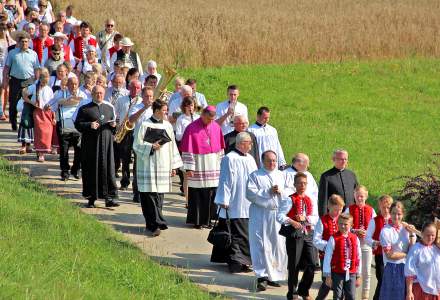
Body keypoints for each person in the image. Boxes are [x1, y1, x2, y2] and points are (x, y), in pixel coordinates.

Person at [132, 100, 182, 236]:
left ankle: (156, 223)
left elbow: (173, 147)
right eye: (164, 110)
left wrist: (174, 166)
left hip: (163, 164)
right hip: (148, 165)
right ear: (156, 110)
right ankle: (153, 224)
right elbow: (136, 145)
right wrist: (150, 147)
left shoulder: (167, 126)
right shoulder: (145, 124)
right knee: (148, 195)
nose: (166, 112)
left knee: (159, 195)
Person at [211, 132, 257, 273]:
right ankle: (235, 262)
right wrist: (224, 199)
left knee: (245, 234)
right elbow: (225, 180)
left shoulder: (250, 158)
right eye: (250, 142)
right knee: (234, 234)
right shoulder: (229, 158)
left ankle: (244, 262)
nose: (251, 145)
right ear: (242, 143)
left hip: (247, 202)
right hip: (234, 202)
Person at [246, 150, 288, 291]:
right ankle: (262, 276)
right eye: (269, 160)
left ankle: (274, 275)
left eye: (274, 160)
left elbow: (290, 192)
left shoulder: (282, 175)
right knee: (261, 244)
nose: (272, 163)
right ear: (263, 161)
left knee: (278, 245)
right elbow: (250, 194)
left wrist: (280, 191)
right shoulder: (255, 176)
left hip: (277, 215)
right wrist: (268, 192)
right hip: (261, 214)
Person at [74, 85, 119, 208]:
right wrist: (89, 125)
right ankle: (91, 198)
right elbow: (78, 124)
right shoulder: (84, 109)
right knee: (91, 170)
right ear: (92, 94)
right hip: (91, 145)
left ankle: (109, 198)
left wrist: (114, 125)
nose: (99, 95)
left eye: (101, 93)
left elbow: (114, 123)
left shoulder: (109, 107)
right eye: (96, 93)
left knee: (108, 169)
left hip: (107, 144)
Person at [180, 105, 225, 229]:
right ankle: (197, 221)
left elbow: (221, 149)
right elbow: (187, 149)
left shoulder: (216, 127)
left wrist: (223, 165)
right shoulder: (191, 128)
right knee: (198, 195)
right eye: (208, 119)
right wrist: (189, 168)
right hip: (198, 166)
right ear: (203, 115)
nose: (210, 122)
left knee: (212, 194)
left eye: (212, 119)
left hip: (213, 166)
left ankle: (209, 220)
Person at [276, 172, 318, 300]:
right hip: (295, 235)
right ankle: (292, 293)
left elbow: (316, 218)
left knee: (312, 264)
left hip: (308, 234)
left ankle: (304, 290)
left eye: (304, 183)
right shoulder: (289, 199)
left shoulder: (310, 199)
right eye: (299, 183)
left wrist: (305, 218)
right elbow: (280, 216)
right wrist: (292, 221)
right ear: (295, 184)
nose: (302, 185)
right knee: (294, 264)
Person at [49, 75, 87, 180]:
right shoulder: (60, 94)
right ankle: (64, 171)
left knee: (79, 150)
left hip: (77, 128)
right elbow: (52, 106)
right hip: (64, 126)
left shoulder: (83, 95)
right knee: (64, 150)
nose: (74, 86)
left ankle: (76, 169)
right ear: (67, 84)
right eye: (71, 84)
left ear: (78, 84)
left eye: (75, 84)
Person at [379, 201, 417, 300]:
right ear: (390, 214)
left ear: (403, 214)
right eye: (394, 213)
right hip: (393, 268)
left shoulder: (406, 228)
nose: (396, 217)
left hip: (408, 268)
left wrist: (412, 233)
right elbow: (389, 255)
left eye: (399, 214)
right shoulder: (385, 231)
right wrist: (407, 254)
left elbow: (413, 248)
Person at [344, 185, 376, 300]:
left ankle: (365, 296)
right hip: (352, 245)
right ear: (354, 196)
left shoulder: (371, 210)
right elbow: (344, 225)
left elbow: (374, 227)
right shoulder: (349, 209)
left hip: (366, 245)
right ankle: (350, 294)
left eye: (362, 196)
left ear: (366, 196)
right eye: (358, 196)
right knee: (352, 270)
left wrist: (367, 233)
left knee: (366, 271)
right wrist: (354, 231)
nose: (360, 199)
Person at [3, 31, 40, 131]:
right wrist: (5, 81)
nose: (24, 43)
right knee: (13, 102)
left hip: (29, 81)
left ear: (29, 42)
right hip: (15, 81)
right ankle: (13, 123)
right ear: (19, 42)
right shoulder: (12, 53)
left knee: (29, 102)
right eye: (22, 41)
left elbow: (36, 68)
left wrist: (37, 81)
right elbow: (6, 68)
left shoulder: (33, 54)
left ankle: (28, 122)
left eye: (26, 42)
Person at [322, 213, 362, 300]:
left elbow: (359, 257)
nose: (343, 226)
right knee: (338, 296)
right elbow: (327, 257)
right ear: (337, 224)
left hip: (352, 272)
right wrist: (328, 275)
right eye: (340, 223)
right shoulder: (333, 238)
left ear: (351, 225)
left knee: (351, 295)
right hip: (337, 272)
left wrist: (358, 275)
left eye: (346, 224)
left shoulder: (355, 238)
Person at [313, 194, 345, 300]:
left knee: (342, 281)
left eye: (340, 210)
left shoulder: (342, 220)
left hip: (340, 257)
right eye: (336, 210)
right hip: (326, 257)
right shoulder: (322, 221)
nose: (338, 212)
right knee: (328, 281)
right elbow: (316, 240)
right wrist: (329, 246)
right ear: (329, 207)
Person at [113, 79, 141, 190]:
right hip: (124, 130)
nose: (135, 90)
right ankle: (124, 182)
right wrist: (117, 125)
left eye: (138, 88)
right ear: (129, 88)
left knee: (137, 158)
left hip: (137, 131)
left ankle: (136, 183)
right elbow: (115, 114)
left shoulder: (142, 101)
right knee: (125, 157)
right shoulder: (121, 99)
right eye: (133, 87)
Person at [128, 86, 154, 202]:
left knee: (151, 168)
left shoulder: (155, 108)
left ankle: (148, 192)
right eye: (147, 96)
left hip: (152, 142)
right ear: (142, 97)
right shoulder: (137, 107)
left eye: (151, 96)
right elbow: (131, 120)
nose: (149, 98)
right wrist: (144, 108)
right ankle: (137, 193)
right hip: (139, 141)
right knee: (139, 168)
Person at [365, 195, 393, 300]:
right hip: (380, 255)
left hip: (392, 256)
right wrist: (375, 242)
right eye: (383, 207)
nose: (386, 210)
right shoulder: (374, 220)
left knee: (390, 281)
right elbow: (367, 238)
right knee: (381, 279)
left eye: (388, 207)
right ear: (379, 207)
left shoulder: (394, 220)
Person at [24, 67, 54, 162]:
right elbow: (24, 95)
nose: (44, 84)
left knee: (47, 132)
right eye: (43, 82)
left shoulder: (49, 89)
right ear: (40, 79)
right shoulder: (34, 87)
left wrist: (53, 115)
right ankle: (40, 153)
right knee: (40, 132)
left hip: (47, 113)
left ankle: (43, 150)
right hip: (38, 112)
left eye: (46, 82)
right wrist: (32, 102)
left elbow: (52, 102)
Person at [405, 222, 440, 300]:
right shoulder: (415, 249)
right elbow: (409, 273)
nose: (430, 238)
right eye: (428, 235)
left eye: (433, 235)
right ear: (422, 233)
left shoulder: (437, 248)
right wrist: (409, 292)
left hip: (437, 290)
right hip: (421, 289)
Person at [318, 149, 358, 216]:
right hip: (334, 214)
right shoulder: (326, 176)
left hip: (351, 214)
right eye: (341, 159)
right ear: (333, 159)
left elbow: (357, 193)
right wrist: (323, 217)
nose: (344, 161)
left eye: (345, 159)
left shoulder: (351, 175)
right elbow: (323, 200)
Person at [175, 97, 200, 202]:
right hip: (186, 149)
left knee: (197, 175)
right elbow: (178, 137)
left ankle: (197, 199)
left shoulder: (198, 117)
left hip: (198, 149)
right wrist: (189, 130)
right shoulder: (181, 119)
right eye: (188, 106)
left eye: (192, 105)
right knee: (187, 176)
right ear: (184, 107)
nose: (190, 108)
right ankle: (187, 200)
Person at [0, 23, 9, 121]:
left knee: (7, 90)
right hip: (0, 66)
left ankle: (3, 110)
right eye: (1, 28)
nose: (3, 30)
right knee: (2, 89)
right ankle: (1, 112)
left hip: (7, 66)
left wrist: (8, 36)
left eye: (4, 28)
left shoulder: (7, 39)